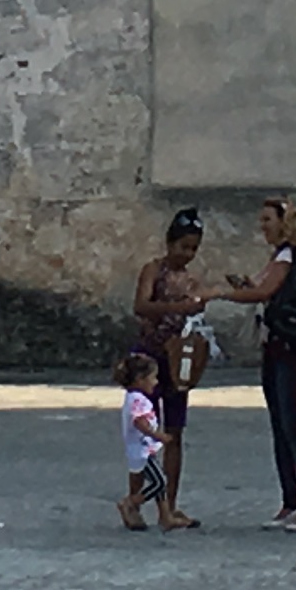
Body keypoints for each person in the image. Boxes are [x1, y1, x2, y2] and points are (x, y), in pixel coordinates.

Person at [223, 197, 296, 531]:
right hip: (278, 342)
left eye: (267, 219)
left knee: (292, 422)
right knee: (281, 423)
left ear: (283, 222)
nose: (262, 226)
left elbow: (262, 292)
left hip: (293, 344)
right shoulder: (279, 257)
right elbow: (263, 289)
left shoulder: (289, 256)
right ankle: (291, 499)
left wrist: (217, 294)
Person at [131, 210, 210, 530]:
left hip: (177, 363)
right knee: (143, 434)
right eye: (183, 247)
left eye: (193, 249)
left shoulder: (192, 280)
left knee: (174, 433)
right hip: (149, 359)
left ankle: (170, 506)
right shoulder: (153, 270)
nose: (187, 255)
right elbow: (141, 305)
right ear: (169, 243)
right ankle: (135, 502)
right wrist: (178, 307)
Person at [115, 348, 173, 533]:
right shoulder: (139, 400)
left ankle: (165, 515)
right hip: (142, 451)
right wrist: (157, 435)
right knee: (159, 482)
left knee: (159, 479)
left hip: (144, 449)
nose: (155, 382)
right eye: (152, 378)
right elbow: (139, 422)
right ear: (140, 380)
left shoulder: (134, 398)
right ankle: (130, 503)